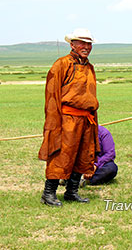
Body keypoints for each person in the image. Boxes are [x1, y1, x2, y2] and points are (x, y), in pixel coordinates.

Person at [38, 29, 99, 207]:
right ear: (72, 44)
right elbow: (52, 96)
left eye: (89, 44)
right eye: (82, 43)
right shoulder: (61, 64)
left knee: (81, 155)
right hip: (66, 119)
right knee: (61, 155)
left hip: (86, 119)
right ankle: (48, 193)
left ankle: (72, 192)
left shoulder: (89, 67)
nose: (86, 47)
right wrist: (54, 122)